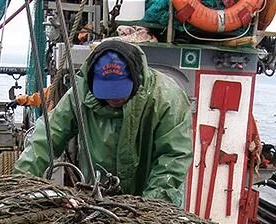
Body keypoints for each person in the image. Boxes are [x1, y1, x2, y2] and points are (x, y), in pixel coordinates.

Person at [13, 40, 192, 206]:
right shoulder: (79, 95)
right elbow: (47, 137)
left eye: (120, 90)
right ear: (91, 82)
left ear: (136, 79)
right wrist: (20, 185)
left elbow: (173, 158)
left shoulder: (167, 99)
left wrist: (150, 210)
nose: (114, 97)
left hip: (153, 199)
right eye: (106, 91)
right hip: (98, 200)